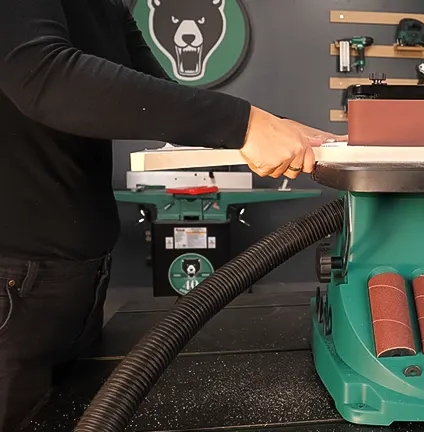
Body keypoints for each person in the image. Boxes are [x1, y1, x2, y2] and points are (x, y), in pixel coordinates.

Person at [0, 0, 344, 429]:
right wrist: (246, 125)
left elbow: (155, 91)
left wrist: (273, 130)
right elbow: (42, 74)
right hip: (13, 279)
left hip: (78, 277)